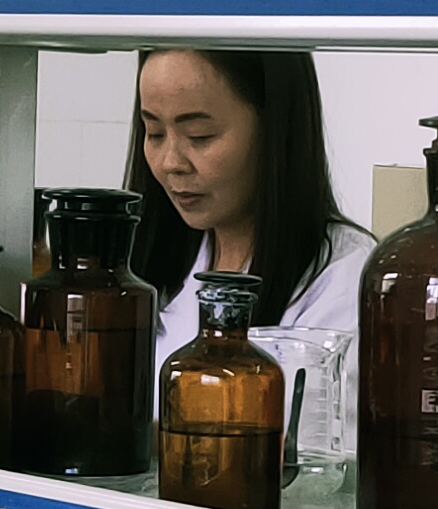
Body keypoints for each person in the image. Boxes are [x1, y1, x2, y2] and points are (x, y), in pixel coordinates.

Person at [124, 46, 369, 366]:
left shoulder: (344, 278)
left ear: (275, 128)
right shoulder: (154, 262)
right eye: (155, 133)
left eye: (200, 136)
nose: (170, 163)